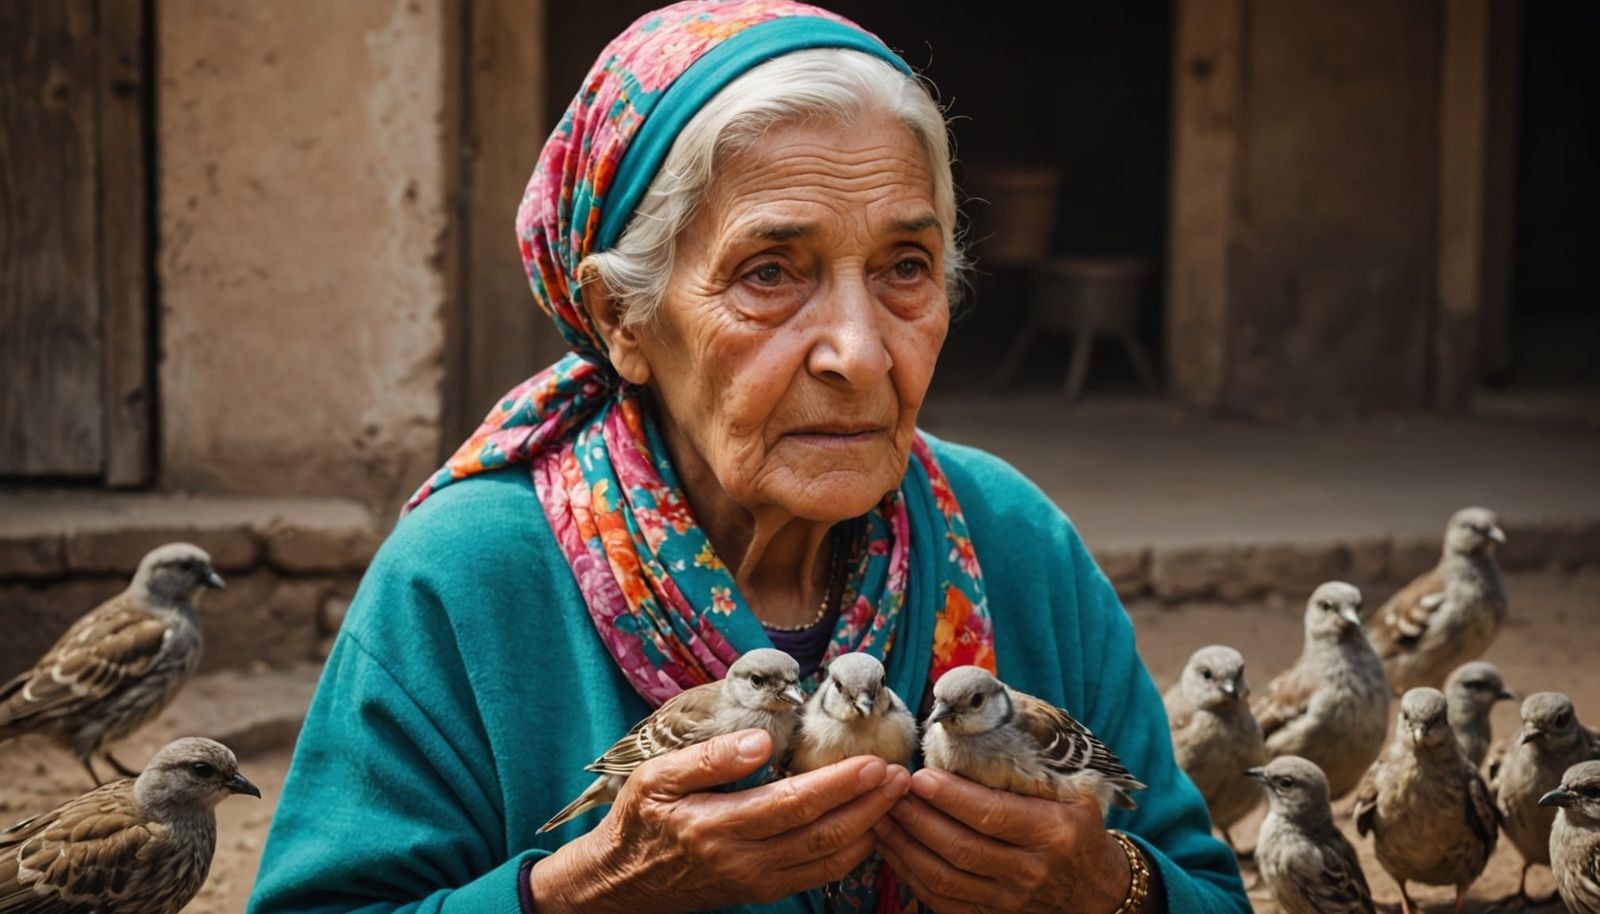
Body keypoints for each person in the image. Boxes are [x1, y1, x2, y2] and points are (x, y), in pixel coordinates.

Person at [247, 3, 1249, 912]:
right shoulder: (467, 580)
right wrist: (585, 888)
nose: (858, 351)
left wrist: (1106, 889)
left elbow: (1205, 888)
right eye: (771, 272)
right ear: (621, 318)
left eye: (906, 267)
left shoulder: (1013, 539)